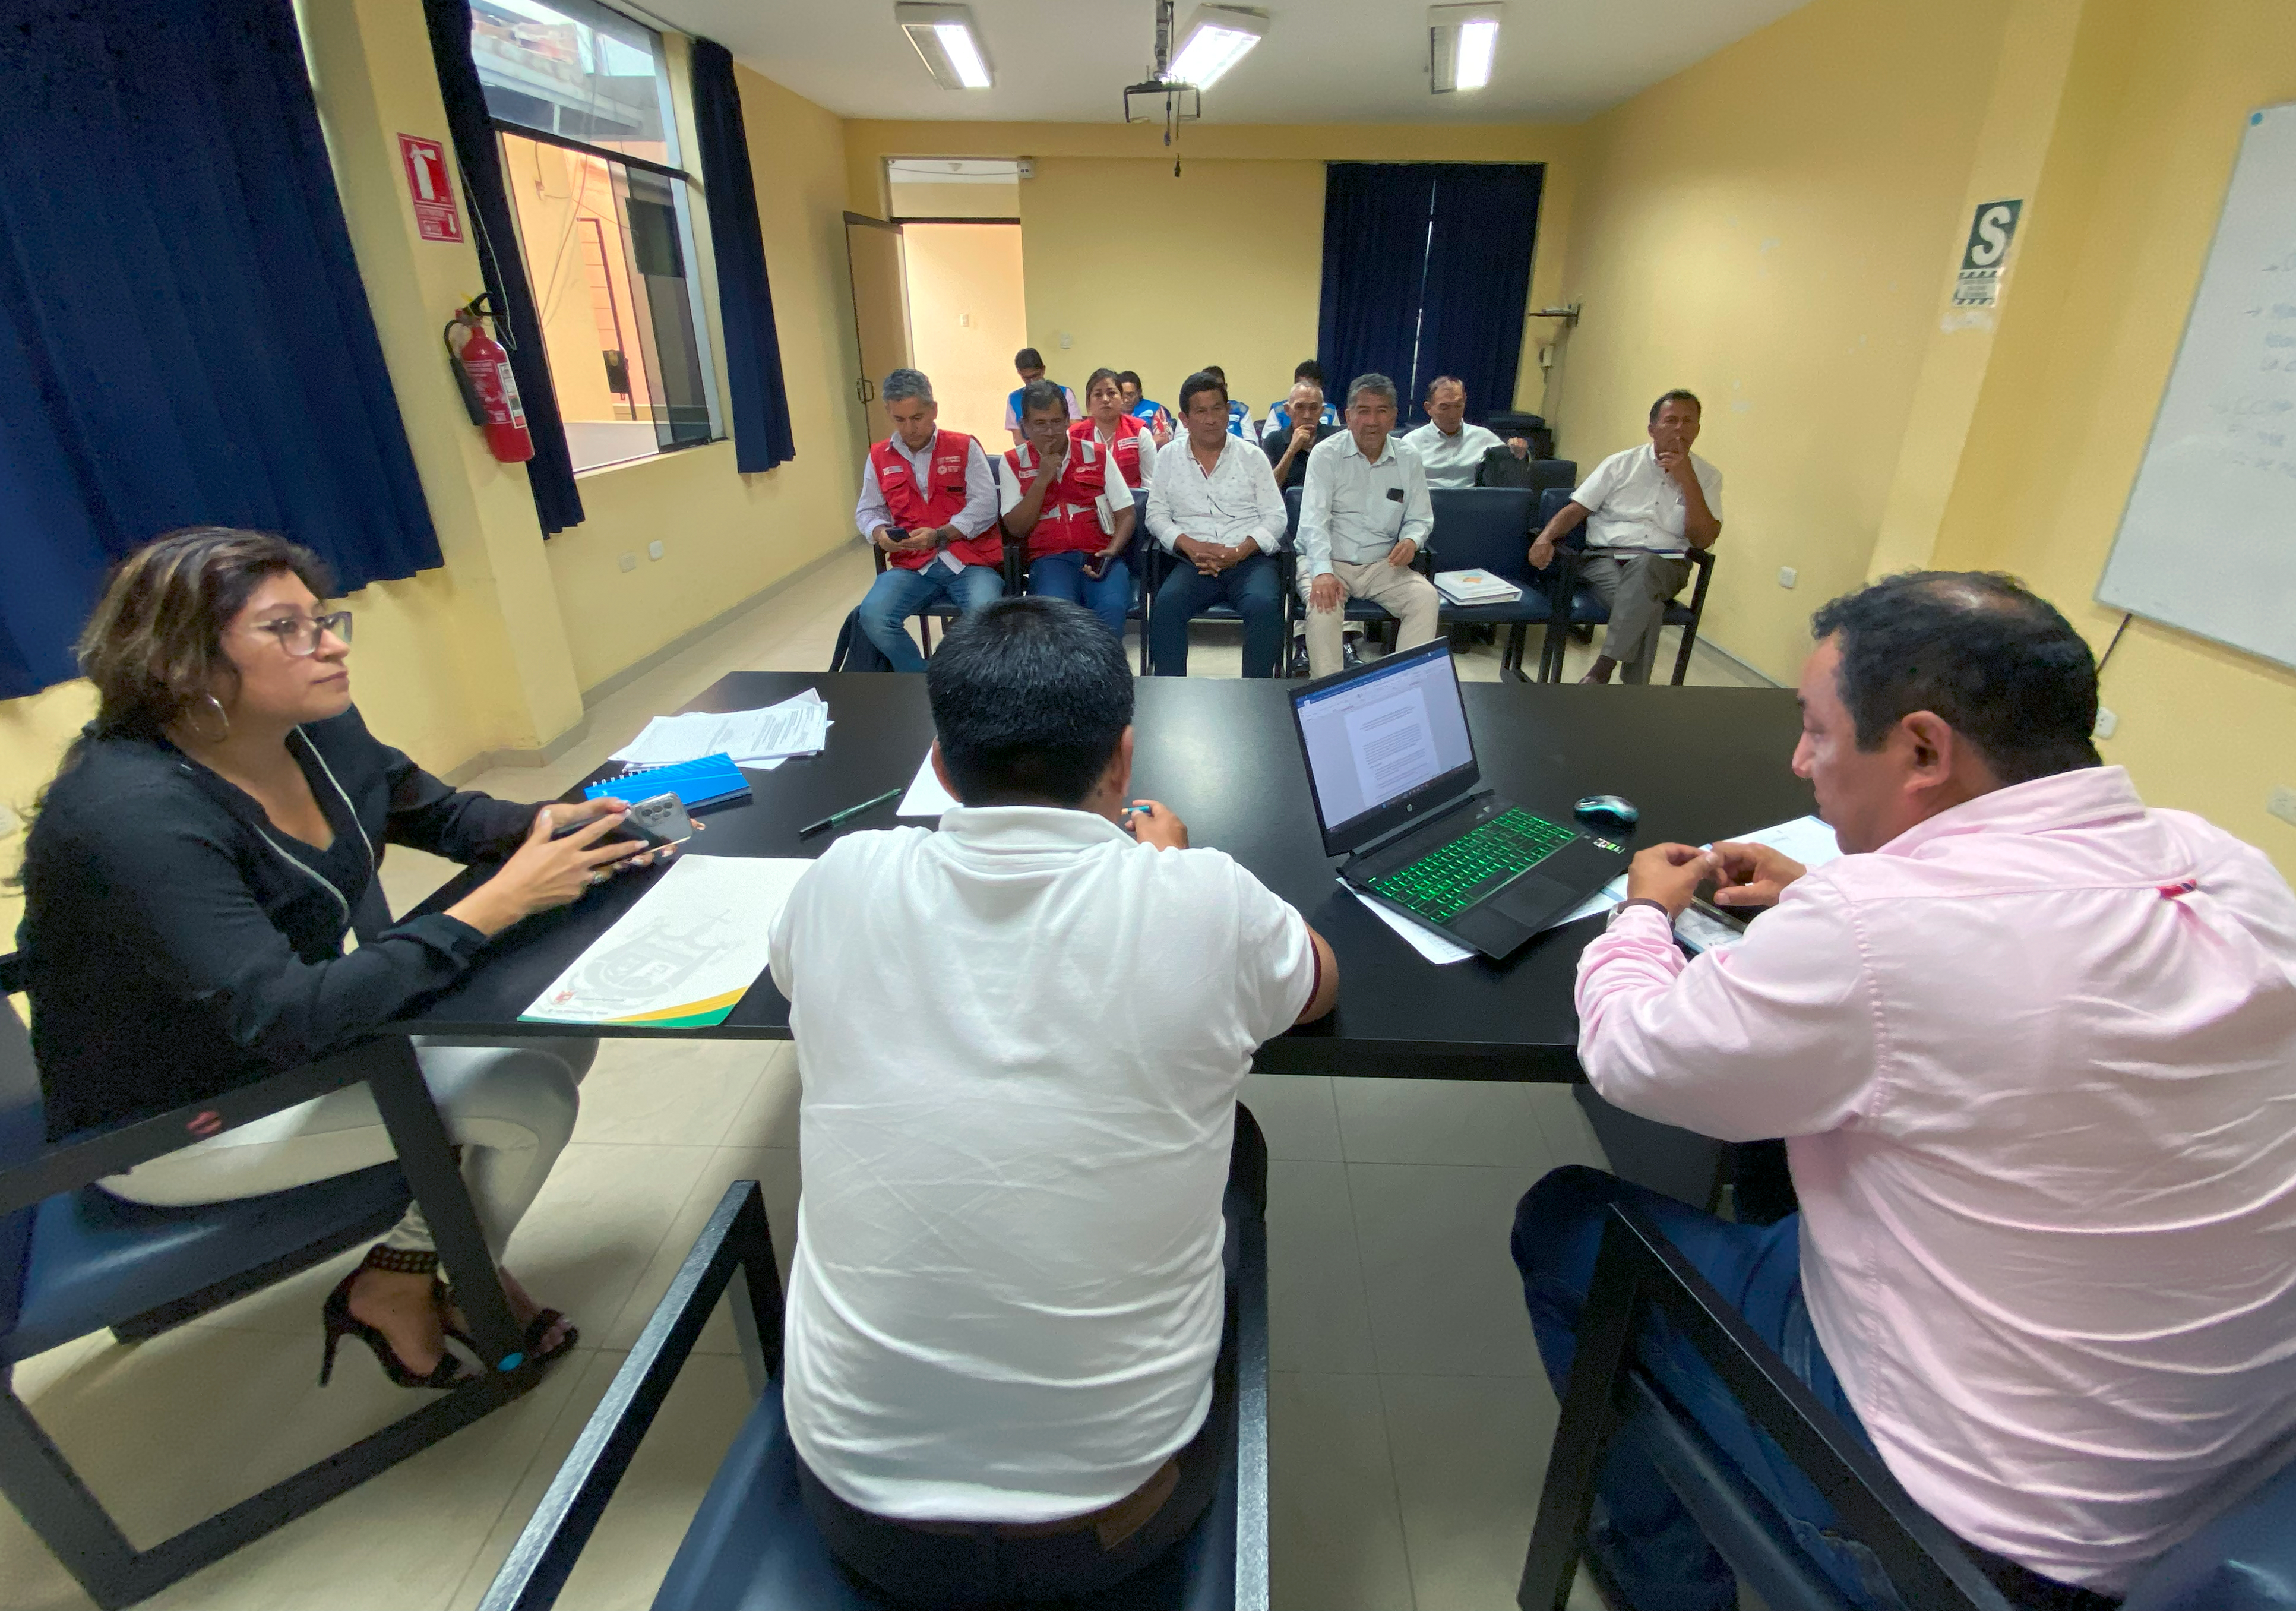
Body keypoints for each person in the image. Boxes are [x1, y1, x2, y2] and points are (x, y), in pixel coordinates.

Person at [1511, 572, 2296, 1611]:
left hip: (1982, 1549)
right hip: (2244, 1496)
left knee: (1565, 1219)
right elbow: (2017, 970)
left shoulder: (1880, 929)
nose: (1799, 762)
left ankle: (1659, 1576)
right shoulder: (2224, 862)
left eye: (1816, 733)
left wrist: (1641, 914)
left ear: (1921, 748)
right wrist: (1818, 895)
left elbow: (1638, 1056)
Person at [767, 598, 1338, 1607]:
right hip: (1121, 1516)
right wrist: (1162, 876)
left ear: (940, 764)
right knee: (1232, 1142)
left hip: (856, 1508)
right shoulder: (1202, 897)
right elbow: (1318, 981)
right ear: (1122, 758)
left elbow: (790, 972)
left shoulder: (842, 877)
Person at [16, 529, 671, 1389]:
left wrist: (561, 824)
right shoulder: (129, 815)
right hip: (177, 1118)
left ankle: (411, 1266)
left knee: (562, 1020)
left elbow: (440, 815)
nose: (329, 645)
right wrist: (502, 901)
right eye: (286, 629)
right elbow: (290, 1013)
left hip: (294, 1047)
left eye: (323, 620)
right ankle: (406, 1285)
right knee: (525, 1092)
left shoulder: (310, 728)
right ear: (182, 663)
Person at [1529, 390, 1722, 685]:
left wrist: (1688, 480)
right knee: (1648, 606)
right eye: (1671, 421)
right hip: (1606, 559)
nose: (1680, 429)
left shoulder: (1707, 476)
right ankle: (1632, 696)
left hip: (1666, 565)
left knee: (1646, 567)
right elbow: (1576, 509)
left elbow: (1703, 539)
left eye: (1688, 421)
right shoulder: (1619, 465)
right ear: (1652, 429)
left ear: (1698, 429)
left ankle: (1601, 669)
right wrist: (1545, 538)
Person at [855, 367, 1005, 672]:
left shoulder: (964, 447)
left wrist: (941, 535)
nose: (910, 428)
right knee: (872, 616)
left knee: (987, 618)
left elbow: (986, 505)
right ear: (889, 413)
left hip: (970, 561)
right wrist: (880, 532)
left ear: (934, 410)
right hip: (912, 565)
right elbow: (868, 511)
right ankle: (922, 677)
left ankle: (973, 683)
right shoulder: (879, 456)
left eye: (918, 417)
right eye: (900, 419)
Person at [1144, 371, 1289, 678]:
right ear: (1184, 419)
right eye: (1201, 411)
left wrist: (1240, 550)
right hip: (1193, 561)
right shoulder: (1168, 457)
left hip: (1249, 560)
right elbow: (1155, 515)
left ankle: (1257, 699)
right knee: (1166, 607)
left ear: (1228, 411)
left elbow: (1276, 517)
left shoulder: (1253, 456)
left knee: (1264, 607)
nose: (1211, 419)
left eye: (1218, 409)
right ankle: (1171, 699)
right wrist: (1189, 545)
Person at [1296, 373, 1437, 677]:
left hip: (1382, 563)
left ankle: (1406, 688)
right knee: (1323, 609)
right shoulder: (1326, 455)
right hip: (1330, 559)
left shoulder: (1409, 458)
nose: (1372, 421)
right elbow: (1314, 521)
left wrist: (1412, 540)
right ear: (1348, 416)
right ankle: (1329, 693)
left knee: (1425, 599)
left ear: (1394, 416)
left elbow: (1420, 518)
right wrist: (1321, 572)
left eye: (1382, 410)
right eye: (1363, 411)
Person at [1003, 380, 1137, 637]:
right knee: (1057, 618)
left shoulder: (1097, 454)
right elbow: (1016, 528)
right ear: (1026, 427)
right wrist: (1042, 479)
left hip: (1100, 556)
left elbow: (1127, 513)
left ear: (1068, 420)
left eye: (1056, 421)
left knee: (1111, 608)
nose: (1050, 432)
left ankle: (1107, 677)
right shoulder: (1012, 462)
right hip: (1050, 560)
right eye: (1040, 424)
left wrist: (1112, 551)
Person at [1399, 376, 1503, 489]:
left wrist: (1517, 452)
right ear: (1428, 408)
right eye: (1444, 408)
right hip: (1427, 502)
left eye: (1458, 406)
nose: (1453, 415)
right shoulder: (1411, 442)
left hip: (1471, 502)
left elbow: (1510, 471)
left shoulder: (1484, 438)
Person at [1072, 366, 1158, 489]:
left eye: (1112, 393)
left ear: (1122, 399)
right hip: (1088, 505)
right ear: (1088, 403)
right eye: (1098, 395)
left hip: (1133, 504)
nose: (1106, 400)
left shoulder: (1139, 433)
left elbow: (1151, 485)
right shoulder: (1074, 435)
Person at [1260, 378, 1327, 491]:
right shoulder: (1274, 440)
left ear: (1322, 411)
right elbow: (1268, 488)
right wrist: (1291, 450)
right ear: (1287, 410)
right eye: (1300, 407)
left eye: (1313, 408)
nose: (1307, 415)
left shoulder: (1335, 439)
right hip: (1285, 506)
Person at [1005, 346, 1078, 436]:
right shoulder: (1014, 399)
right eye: (1027, 378)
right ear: (1020, 374)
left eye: (1035, 376)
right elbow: (1018, 439)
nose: (1032, 382)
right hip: (1029, 449)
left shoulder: (1066, 394)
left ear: (1043, 370)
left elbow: (1075, 431)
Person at [1260, 358, 1340, 438]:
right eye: (1303, 385)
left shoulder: (1330, 410)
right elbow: (1268, 441)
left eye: (1312, 386)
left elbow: (1338, 440)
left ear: (1321, 387)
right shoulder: (1278, 410)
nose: (1307, 415)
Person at [1118, 368, 1173, 439]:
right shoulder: (1112, 412)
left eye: (1130, 395)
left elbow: (1165, 440)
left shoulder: (1155, 410)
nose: (1126, 400)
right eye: (1122, 395)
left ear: (1139, 392)